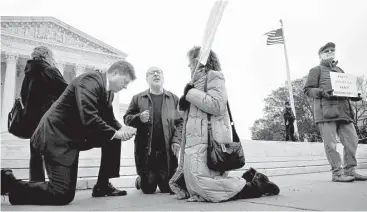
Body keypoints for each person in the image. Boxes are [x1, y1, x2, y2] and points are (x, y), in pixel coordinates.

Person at [1, 61, 137, 205]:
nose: (125, 87)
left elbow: (110, 119)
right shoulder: (90, 80)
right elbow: (88, 116)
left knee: (111, 137)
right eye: (125, 82)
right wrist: (116, 134)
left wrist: (122, 129)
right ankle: (9, 183)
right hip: (55, 137)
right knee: (61, 194)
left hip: (71, 140)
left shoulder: (109, 93)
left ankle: (102, 186)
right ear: (114, 73)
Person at [169, 46, 280, 202]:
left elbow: (217, 105)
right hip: (194, 140)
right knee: (196, 183)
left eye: (190, 62)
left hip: (207, 139)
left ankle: (257, 185)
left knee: (204, 183)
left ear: (197, 61)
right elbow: (190, 115)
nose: (188, 66)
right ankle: (249, 179)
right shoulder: (194, 83)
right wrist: (183, 103)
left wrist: (191, 94)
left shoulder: (214, 76)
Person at [303, 42, 367, 182]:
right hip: (326, 112)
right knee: (331, 144)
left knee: (352, 141)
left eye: (333, 50)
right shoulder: (316, 70)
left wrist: (354, 95)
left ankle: (350, 170)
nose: (330, 52)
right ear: (320, 54)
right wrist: (322, 92)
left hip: (344, 112)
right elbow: (307, 90)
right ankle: (337, 173)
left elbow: (346, 90)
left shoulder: (340, 70)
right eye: (327, 50)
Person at [124, 67, 183, 194]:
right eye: (152, 73)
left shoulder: (173, 99)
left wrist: (176, 140)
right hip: (147, 154)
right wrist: (138, 118)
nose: (156, 74)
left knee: (168, 189)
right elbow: (126, 119)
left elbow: (181, 122)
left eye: (159, 72)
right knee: (148, 189)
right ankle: (141, 180)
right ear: (146, 79)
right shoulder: (138, 98)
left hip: (167, 153)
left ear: (163, 77)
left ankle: (161, 177)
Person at [20, 46, 68, 182]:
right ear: (47, 56)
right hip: (49, 119)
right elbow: (66, 92)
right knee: (54, 151)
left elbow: (23, 96)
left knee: (35, 154)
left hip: (32, 119)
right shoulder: (50, 71)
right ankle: (58, 184)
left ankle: (36, 184)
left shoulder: (28, 74)